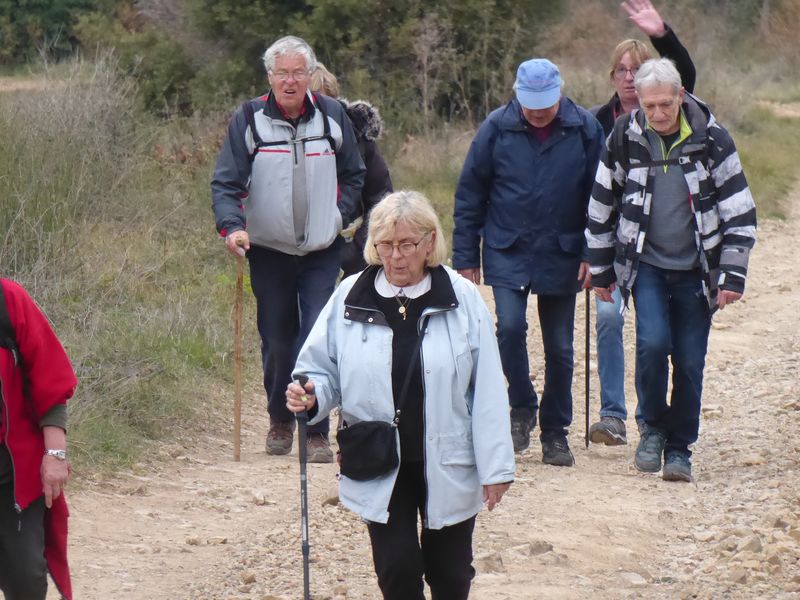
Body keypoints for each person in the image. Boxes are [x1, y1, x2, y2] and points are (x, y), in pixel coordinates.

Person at [286, 191, 514, 600]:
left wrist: (496, 467)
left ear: (429, 243)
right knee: (397, 571)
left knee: (450, 575)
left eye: (406, 244)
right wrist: (311, 394)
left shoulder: (462, 299)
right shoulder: (351, 297)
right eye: (385, 245)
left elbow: (489, 390)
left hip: (448, 456)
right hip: (378, 456)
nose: (396, 256)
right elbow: (320, 369)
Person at [585, 58, 756, 481]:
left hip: (697, 272)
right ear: (638, 102)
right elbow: (601, 204)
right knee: (652, 344)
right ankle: (653, 431)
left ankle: (680, 448)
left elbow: (740, 211)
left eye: (666, 104)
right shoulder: (624, 136)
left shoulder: (712, 139)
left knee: (690, 361)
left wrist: (731, 274)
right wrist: (603, 273)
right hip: (647, 266)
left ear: (681, 96)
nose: (658, 114)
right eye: (650, 106)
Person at [211, 36, 366, 463]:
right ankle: (280, 420)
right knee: (278, 340)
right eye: (283, 73)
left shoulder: (332, 116)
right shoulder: (249, 118)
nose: (291, 80)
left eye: (299, 72)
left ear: (310, 76)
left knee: (316, 335)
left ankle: (315, 430)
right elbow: (226, 182)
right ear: (270, 77)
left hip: (321, 249)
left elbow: (355, 174)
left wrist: (337, 216)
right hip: (269, 249)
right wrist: (232, 227)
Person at [452, 58, 604, 465]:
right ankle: (521, 405)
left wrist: (595, 253)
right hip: (507, 246)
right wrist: (466, 256)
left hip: (564, 249)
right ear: (517, 94)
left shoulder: (585, 128)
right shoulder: (496, 127)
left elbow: (602, 196)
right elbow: (470, 193)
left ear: (560, 94)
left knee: (559, 346)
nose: (538, 112)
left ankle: (555, 432)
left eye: (546, 103)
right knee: (510, 328)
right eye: (531, 103)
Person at [588, 0, 698, 447]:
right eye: (622, 70)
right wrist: (591, 254)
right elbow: (591, 189)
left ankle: (648, 421)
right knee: (611, 320)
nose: (630, 77)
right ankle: (612, 415)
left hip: (659, 250)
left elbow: (685, 76)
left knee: (658, 340)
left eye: (638, 68)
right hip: (612, 244)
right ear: (612, 76)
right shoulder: (594, 121)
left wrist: (662, 34)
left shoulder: (672, 108)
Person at [0, 278, 77, 600]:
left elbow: (49, 379)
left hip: (12, 474)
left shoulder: (8, 300)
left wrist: (55, 455)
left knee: (26, 578)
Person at [309, 62, 394, 277]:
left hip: (352, 246)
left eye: (324, 99)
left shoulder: (359, 139)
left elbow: (380, 195)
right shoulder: (283, 141)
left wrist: (362, 245)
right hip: (303, 251)